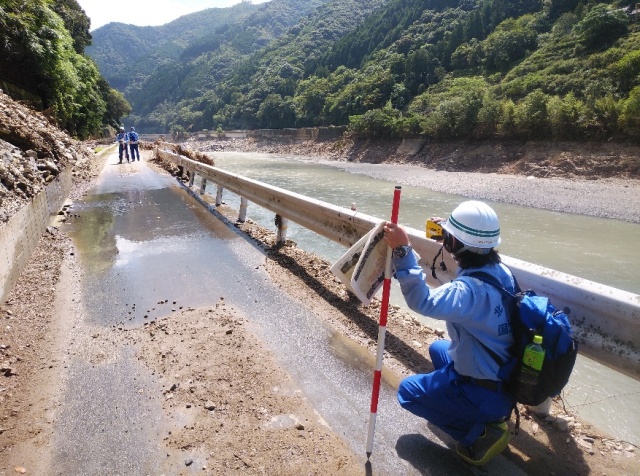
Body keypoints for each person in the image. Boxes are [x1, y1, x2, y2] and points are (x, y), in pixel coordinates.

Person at [383, 200, 516, 466]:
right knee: (438, 348)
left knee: (407, 392)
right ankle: (473, 405)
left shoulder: (469, 291)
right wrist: (450, 229)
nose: (444, 240)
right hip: (504, 375)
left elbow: (423, 301)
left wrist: (402, 250)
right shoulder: (499, 271)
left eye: (448, 238)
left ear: (456, 245)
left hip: (486, 391)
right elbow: (471, 244)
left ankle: (480, 433)